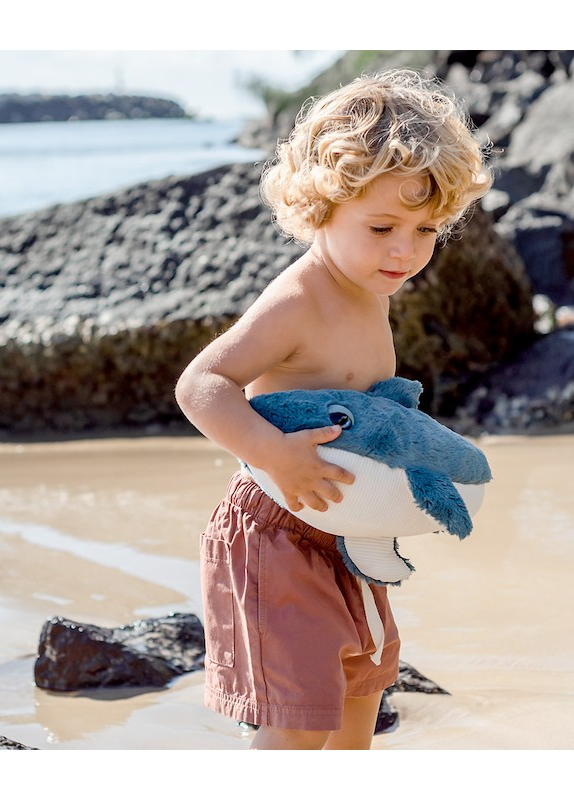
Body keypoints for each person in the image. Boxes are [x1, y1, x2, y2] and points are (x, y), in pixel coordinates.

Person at [174, 68, 492, 750]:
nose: (405, 251)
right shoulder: (300, 299)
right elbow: (201, 384)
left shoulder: (372, 286)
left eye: (425, 229)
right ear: (323, 207)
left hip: (344, 536)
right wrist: (271, 453)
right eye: (382, 226)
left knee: (361, 696)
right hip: (276, 534)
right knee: (294, 722)